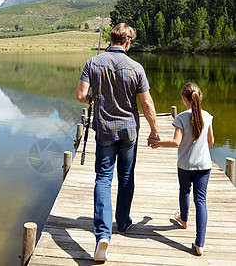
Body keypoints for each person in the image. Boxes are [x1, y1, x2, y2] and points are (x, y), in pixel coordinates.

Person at [76, 23, 159, 261]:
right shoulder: (136, 67)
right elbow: (147, 103)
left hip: (104, 131)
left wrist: (94, 98)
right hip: (129, 132)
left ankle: (103, 234)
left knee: (103, 179)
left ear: (111, 39)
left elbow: (81, 95)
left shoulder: (93, 63)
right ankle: (122, 223)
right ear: (128, 42)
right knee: (125, 177)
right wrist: (154, 131)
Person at [149, 82, 214, 256]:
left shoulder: (181, 118)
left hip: (185, 165)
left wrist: (157, 143)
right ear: (199, 97)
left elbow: (176, 142)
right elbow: (211, 141)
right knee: (201, 201)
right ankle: (200, 245)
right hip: (204, 166)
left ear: (184, 98)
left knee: (185, 191)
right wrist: (202, 154)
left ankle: (184, 220)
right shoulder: (207, 116)